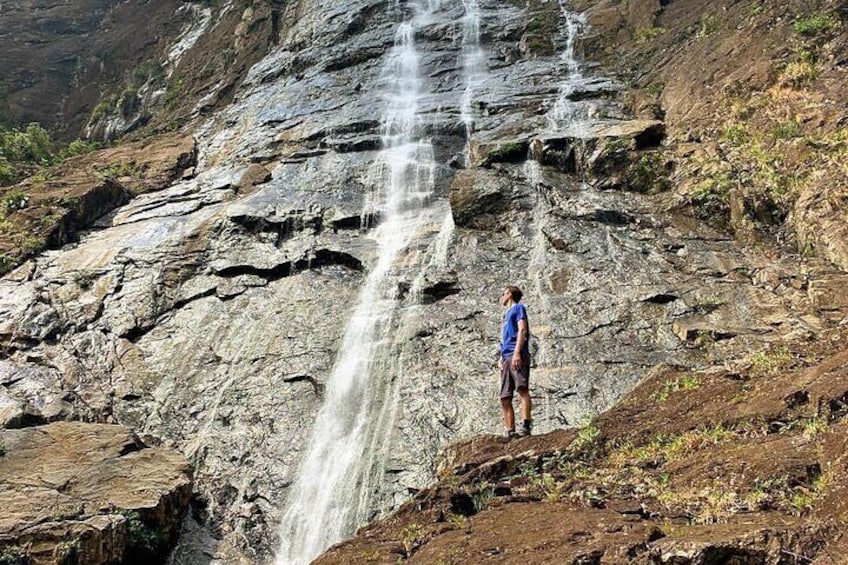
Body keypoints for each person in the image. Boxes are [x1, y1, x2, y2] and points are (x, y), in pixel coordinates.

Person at [498, 285, 531, 438]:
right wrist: (501, 358)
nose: (501, 296)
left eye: (504, 293)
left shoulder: (518, 308)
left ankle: (525, 425)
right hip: (506, 357)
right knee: (505, 396)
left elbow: (522, 329)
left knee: (522, 388)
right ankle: (511, 431)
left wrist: (517, 352)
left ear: (510, 294)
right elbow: (503, 338)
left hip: (516, 353)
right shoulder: (505, 316)